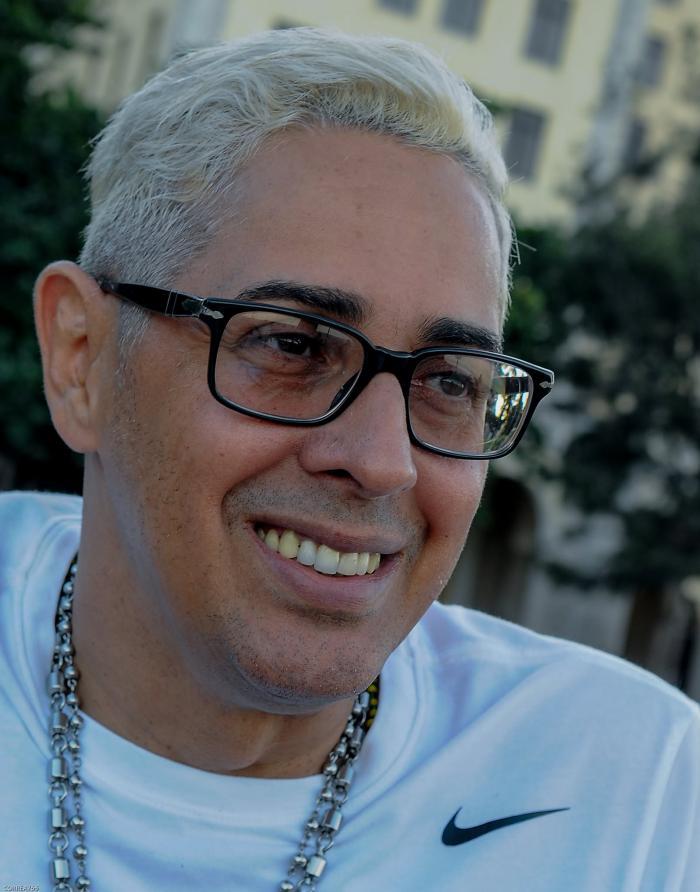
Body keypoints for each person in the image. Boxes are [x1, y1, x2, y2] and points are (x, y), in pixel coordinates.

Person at [1, 27, 697, 892]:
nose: (382, 461)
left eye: (449, 380)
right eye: (292, 344)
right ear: (82, 359)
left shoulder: (642, 792)